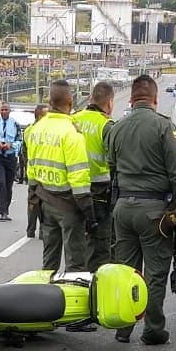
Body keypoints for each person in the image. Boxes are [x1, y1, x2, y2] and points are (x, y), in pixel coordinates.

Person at [107, 74, 176, 346]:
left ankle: (124, 327)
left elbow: (113, 169)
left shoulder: (116, 128)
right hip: (154, 211)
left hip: (123, 208)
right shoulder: (163, 127)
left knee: (126, 271)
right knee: (154, 273)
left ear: (131, 99)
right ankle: (153, 329)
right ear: (155, 99)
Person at [25, 80, 94, 277]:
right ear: (70, 102)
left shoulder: (35, 130)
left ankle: (45, 300)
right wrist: (89, 214)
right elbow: (79, 179)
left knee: (49, 261)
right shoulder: (72, 134)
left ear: (49, 101)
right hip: (69, 206)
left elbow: (32, 172)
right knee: (75, 264)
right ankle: (72, 302)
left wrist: (33, 198)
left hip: (45, 202)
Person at [72, 81, 115, 274]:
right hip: (99, 191)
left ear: (90, 98)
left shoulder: (73, 120)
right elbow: (115, 161)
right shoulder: (106, 126)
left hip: (72, 190)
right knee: (100, 244)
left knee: (77, 241)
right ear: (110, 103)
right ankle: (94, 287)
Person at [22, 104, 47, 238]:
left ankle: (30, 230)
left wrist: (27, 168)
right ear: (39, 116)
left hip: (32, 171)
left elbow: (24, 152)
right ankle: (42, 230)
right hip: (43, 172)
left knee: (32, 202)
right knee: (44, 203)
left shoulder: (28, 130)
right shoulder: (44, 130)